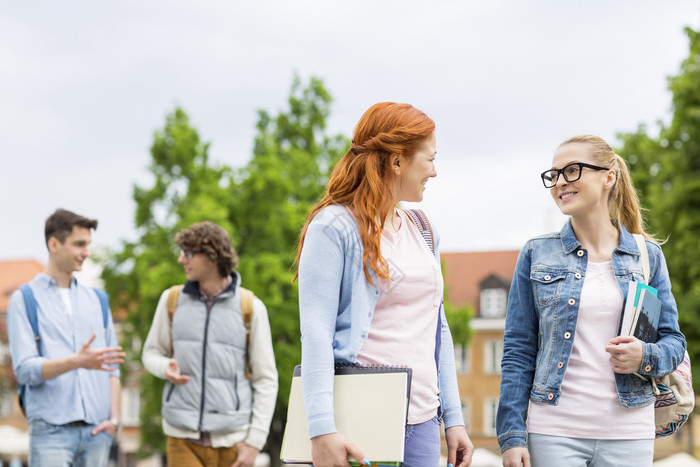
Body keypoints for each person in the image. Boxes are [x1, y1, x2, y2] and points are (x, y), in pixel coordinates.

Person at [294, 102, 474, 467]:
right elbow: (315, 333)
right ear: (396, 161)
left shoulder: (423, 229)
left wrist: (452, 417)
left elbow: (437, 328)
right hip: (359, 420)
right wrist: (321, 428)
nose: (435, 172)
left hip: (423, 421)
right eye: (429, 159)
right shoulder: (334, 227)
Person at [497, 135, 687, 467]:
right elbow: (518, 350)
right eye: (553, 175)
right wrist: (511, 436)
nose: (559, 183)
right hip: (554, 429)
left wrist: (644, 355)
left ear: (608, 177)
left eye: (572, 171)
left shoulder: (646, 257)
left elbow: (673, 342)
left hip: (629, 430)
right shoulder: (536, 253)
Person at [142, 221, 278, 467]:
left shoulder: (251, 307)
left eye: (189, 253)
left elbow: (266, 380)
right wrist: (165, 368)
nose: (181, 260)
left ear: (213, 257)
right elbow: (150, 353)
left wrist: (255, 443)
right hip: (181, 438)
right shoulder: (171, 300)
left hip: (233, 442)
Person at [7, 208, 125, 467]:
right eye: (79, 244)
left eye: (89, 244)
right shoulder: (24, 300)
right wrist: (76, 361)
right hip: (51, 433)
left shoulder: (98, 300)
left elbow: (112, 368)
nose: (87, 252)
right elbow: (25, 370)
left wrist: (114, 421)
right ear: (54, 244)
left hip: (97, 433)